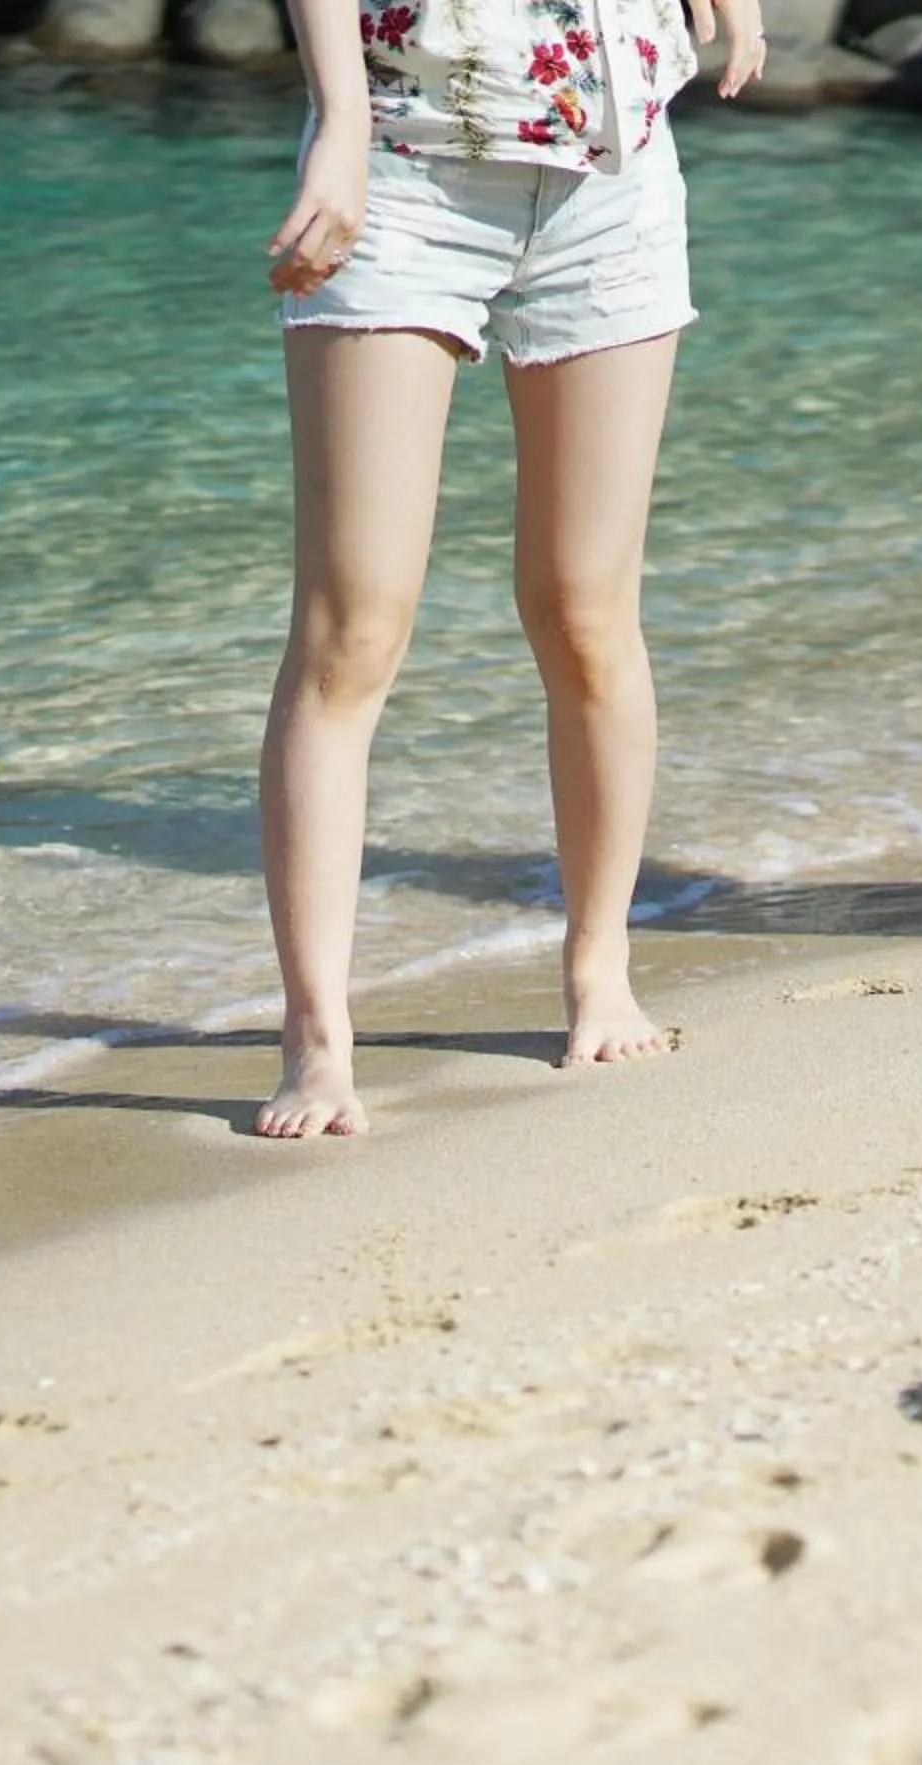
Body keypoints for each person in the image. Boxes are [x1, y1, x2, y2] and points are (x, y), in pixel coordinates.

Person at [251, 0, 767, 1137]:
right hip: (404, 167)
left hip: (616, 172)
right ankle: (317, 1037)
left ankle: (598, 969)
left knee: (586, 612)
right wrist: (337, 121)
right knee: (352, 632)